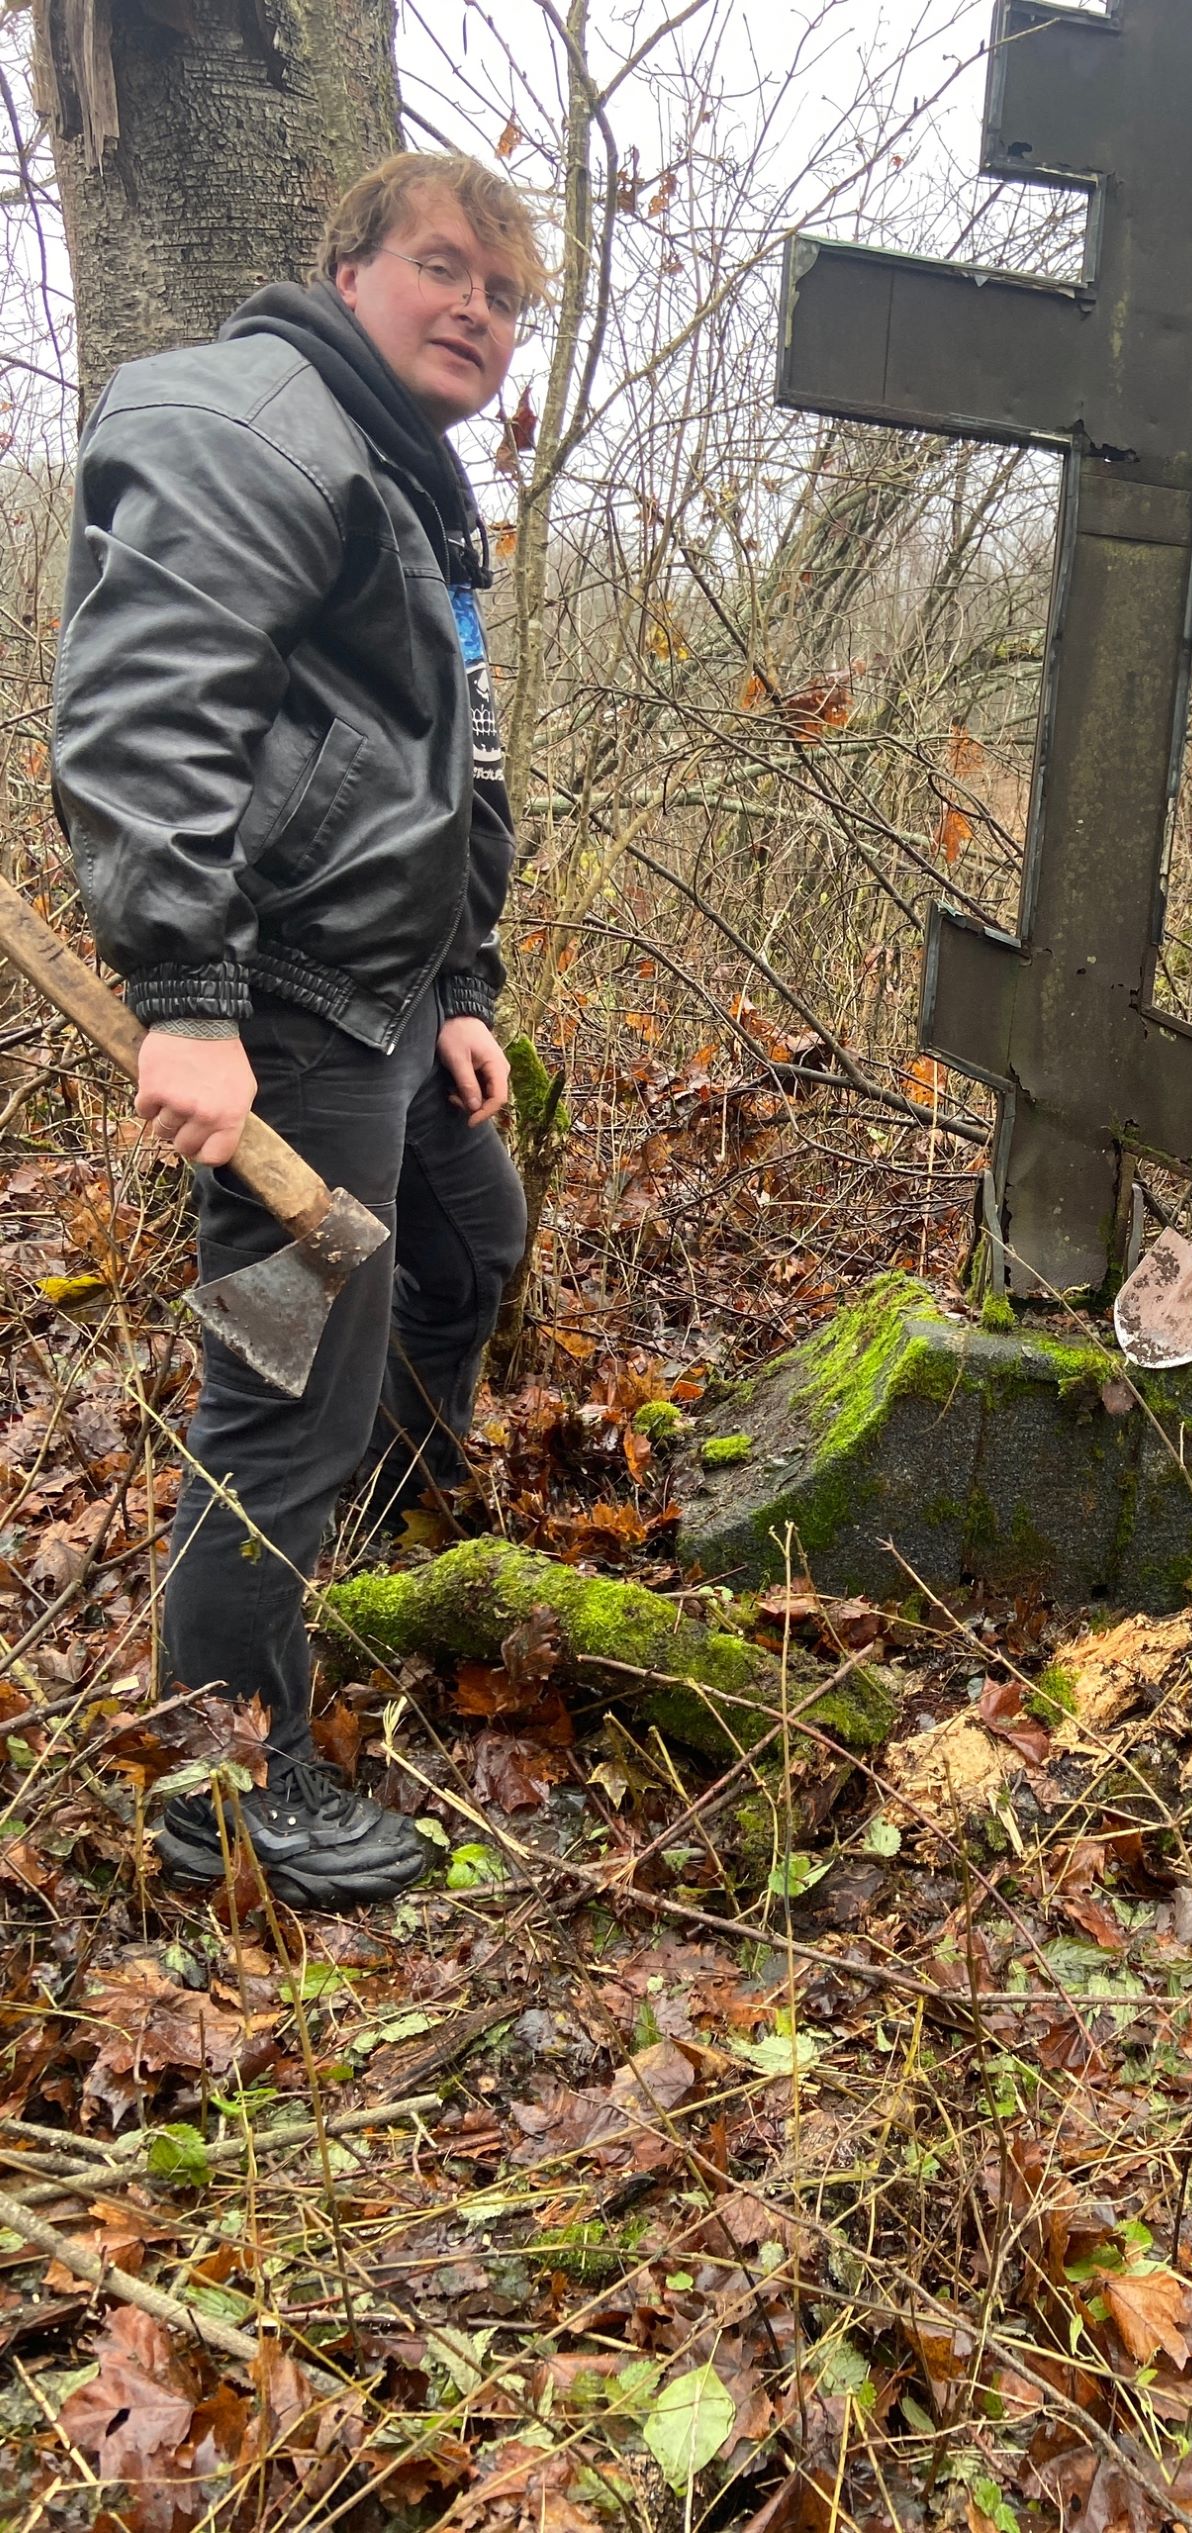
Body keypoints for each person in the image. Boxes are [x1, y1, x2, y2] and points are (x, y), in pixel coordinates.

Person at [52, 153, 549, 1905]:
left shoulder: (408, 482)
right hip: (287, 1016)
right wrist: (185, 999)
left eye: (505, 296)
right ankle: (220, 1785)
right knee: (280, 1382)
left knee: (471, 1245)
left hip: (395, 1006)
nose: (476, 312)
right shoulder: (258, 424)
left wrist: (468, 983)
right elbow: (141, 711)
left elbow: (441, 775)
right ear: (350, 269)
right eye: (444, 269)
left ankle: (365, 1527)